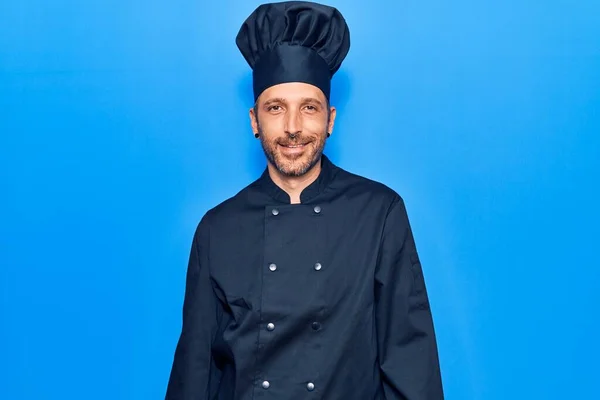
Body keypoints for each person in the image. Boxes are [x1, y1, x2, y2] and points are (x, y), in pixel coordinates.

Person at [165, 1, 444, 399]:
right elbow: (196, 371)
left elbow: (410, 360)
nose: (293, 128)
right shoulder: (217, 228)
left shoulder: (379, 213)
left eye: (308, 109)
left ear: (329, 119)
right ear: (254, 121)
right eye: (275, 108)